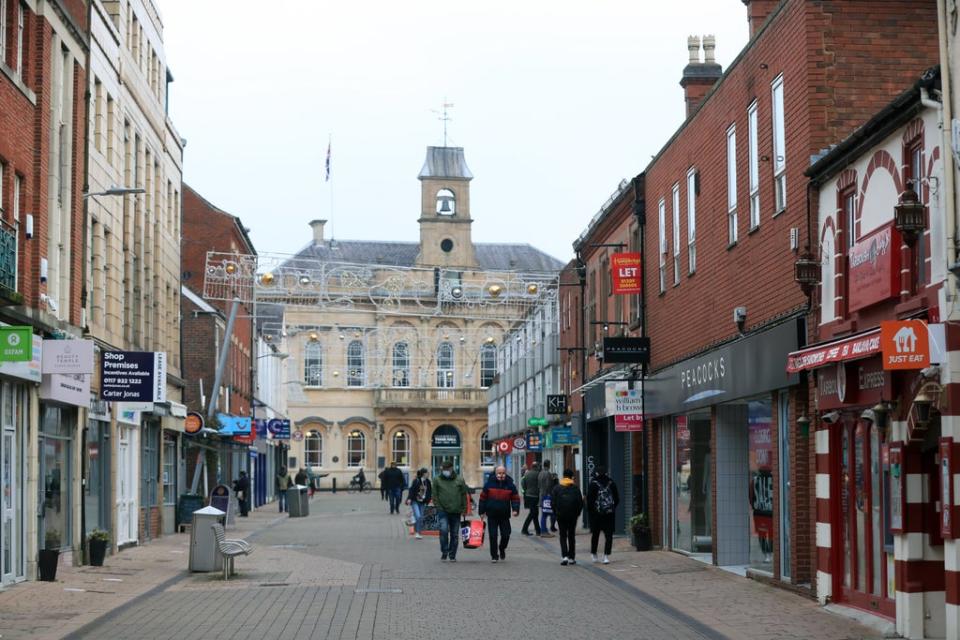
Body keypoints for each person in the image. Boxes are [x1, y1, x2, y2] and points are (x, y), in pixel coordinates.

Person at [478, 465, 520, 563]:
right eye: (499, 473)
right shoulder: (489, 484)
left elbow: (515, 498)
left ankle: (502, 548)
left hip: (504, 515)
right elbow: (482, 499)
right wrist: (481, 511)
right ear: (495, 473)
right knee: (493, 536)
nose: (501, 475)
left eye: (503, 473)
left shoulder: (510, 485)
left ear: (506, 473)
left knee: (506, 534)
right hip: (492, 514)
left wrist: (515, 509)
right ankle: (494, 555)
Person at [431, 461, 467, 562]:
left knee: (454, 534)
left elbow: (464, 495)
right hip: (442, 510)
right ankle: (444, 551)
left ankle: (452, 554)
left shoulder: (459, 479)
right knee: (443, 531)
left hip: (456, 511)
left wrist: (464, 509)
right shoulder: (437, 479)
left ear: (451, 469)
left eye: (447, 469)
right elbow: (434, 495)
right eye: (443, 469)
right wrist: (438, 506)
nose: (445, 471)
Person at [587, 466, 620, 564]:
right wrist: (611, 508)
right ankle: (606, 556)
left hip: (596, 515)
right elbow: (617, 499)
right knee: (608, 535)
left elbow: (589, 500)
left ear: (597, 473)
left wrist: (592, 512)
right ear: (606, 473)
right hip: (609, 514)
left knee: (595, 535)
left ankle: (594, 554)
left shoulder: (593, 484)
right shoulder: (611, 483)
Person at [552, 468, 584, 565]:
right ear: (572, 477)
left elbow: (553, 503)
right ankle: (571, 557)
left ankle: (564, 556)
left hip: (561, 516)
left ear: (563, 476)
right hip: (572, 516)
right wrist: (577, 514)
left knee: (562, 535)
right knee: (571, 536)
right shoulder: (575, 488)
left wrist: (556, 513)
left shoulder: (557, 488)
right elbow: (580, 503)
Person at [406, 468, 432, 539]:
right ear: (424, 474)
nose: (428, 474)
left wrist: (428, 500)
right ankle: (417, 532)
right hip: (415, 501)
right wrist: (409, 499)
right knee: (418, 516)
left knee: (421, 517)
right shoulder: (416, 481)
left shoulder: (428, 482)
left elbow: (429, 492)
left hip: (423, 502)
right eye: (427, 473)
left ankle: (418, 532)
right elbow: (411, 490)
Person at [520, 462, 541, 536]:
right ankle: (524, 529)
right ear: (537, 467)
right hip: (535, 496)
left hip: (528, 495)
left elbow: (522, 483)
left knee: (535, 513)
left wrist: (526, 490)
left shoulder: (527, 474)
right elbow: (540, 485)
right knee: (533, 513)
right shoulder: (538, 474)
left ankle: (538, 530)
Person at [538, 459, 558, 536]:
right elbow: (548, 486)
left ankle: (544, 530)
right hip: (547, 496)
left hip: (541, 495)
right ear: (549, 465)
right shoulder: (548, 473)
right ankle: (544, 531)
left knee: (544, 514)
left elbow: (539, 485)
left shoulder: (540, 473)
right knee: (548, 514)